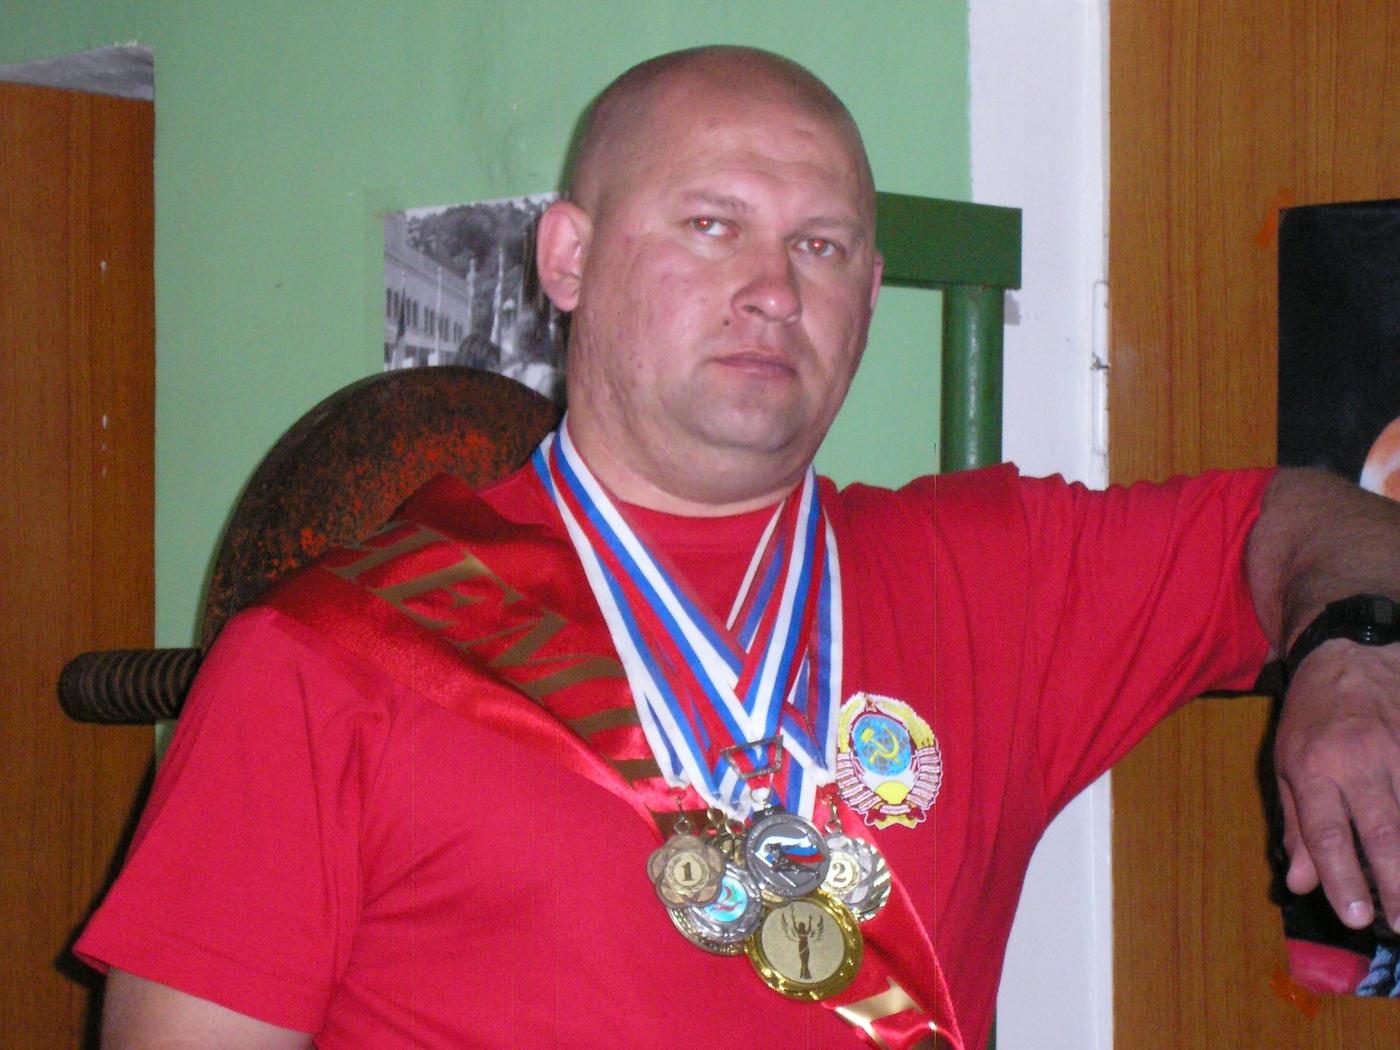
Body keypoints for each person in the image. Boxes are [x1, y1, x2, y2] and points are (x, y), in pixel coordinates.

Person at [80, 46, 1400, 1050]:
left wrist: (1353, 650)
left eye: (821, 245)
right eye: (710, 224)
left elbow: (1308, 519)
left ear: (867, 293)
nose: (774, 289)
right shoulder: (326, 658)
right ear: (568, 257)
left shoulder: (994, 574)